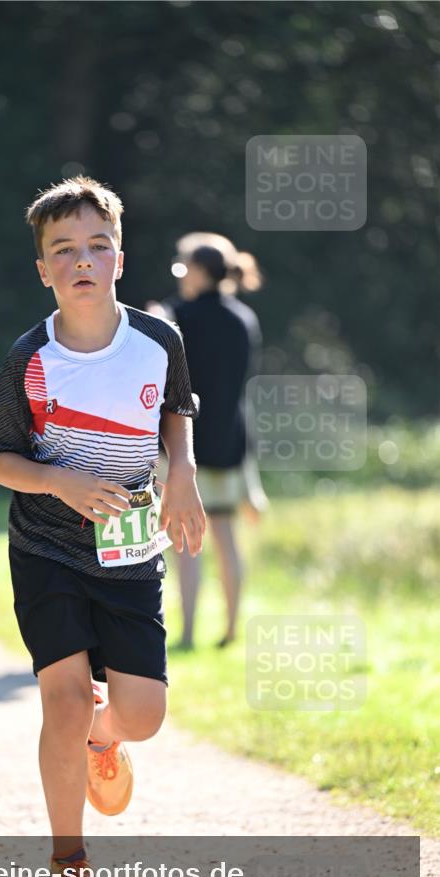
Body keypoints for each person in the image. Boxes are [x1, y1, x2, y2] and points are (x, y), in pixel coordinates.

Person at [0, 176, 205, 877]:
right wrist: (58, 481)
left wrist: (184, 476)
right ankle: (66, 862)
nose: (81, 261)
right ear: (43, 268)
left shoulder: (157, 338)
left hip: (130, 551)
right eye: (63, 250)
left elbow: (176, 409)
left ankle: (107, 741)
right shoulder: (29, 358)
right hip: (46, 547)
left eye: (96, 247)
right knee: (63, 703)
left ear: (119, 258)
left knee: (141, 715)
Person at [149, 232, 268, 650]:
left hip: (183, 446)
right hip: (230, 443)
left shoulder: (174, 315)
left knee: (183, 543)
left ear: (199, 272)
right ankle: (233, 629)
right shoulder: (243, 318)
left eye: (183, 267)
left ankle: (186, 633)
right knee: (226, 538)